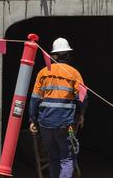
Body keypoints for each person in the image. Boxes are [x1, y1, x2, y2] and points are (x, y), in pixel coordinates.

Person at [29, 37, 86, 178]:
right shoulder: (74, 73)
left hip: (45, 124)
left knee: (53, 157)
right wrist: (81, 114)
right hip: (66, 125)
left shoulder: (43, 73)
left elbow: (35, 99)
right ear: (68, 55)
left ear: (53, 55)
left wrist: (32, 120)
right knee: (66, 158)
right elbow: (83, 98)